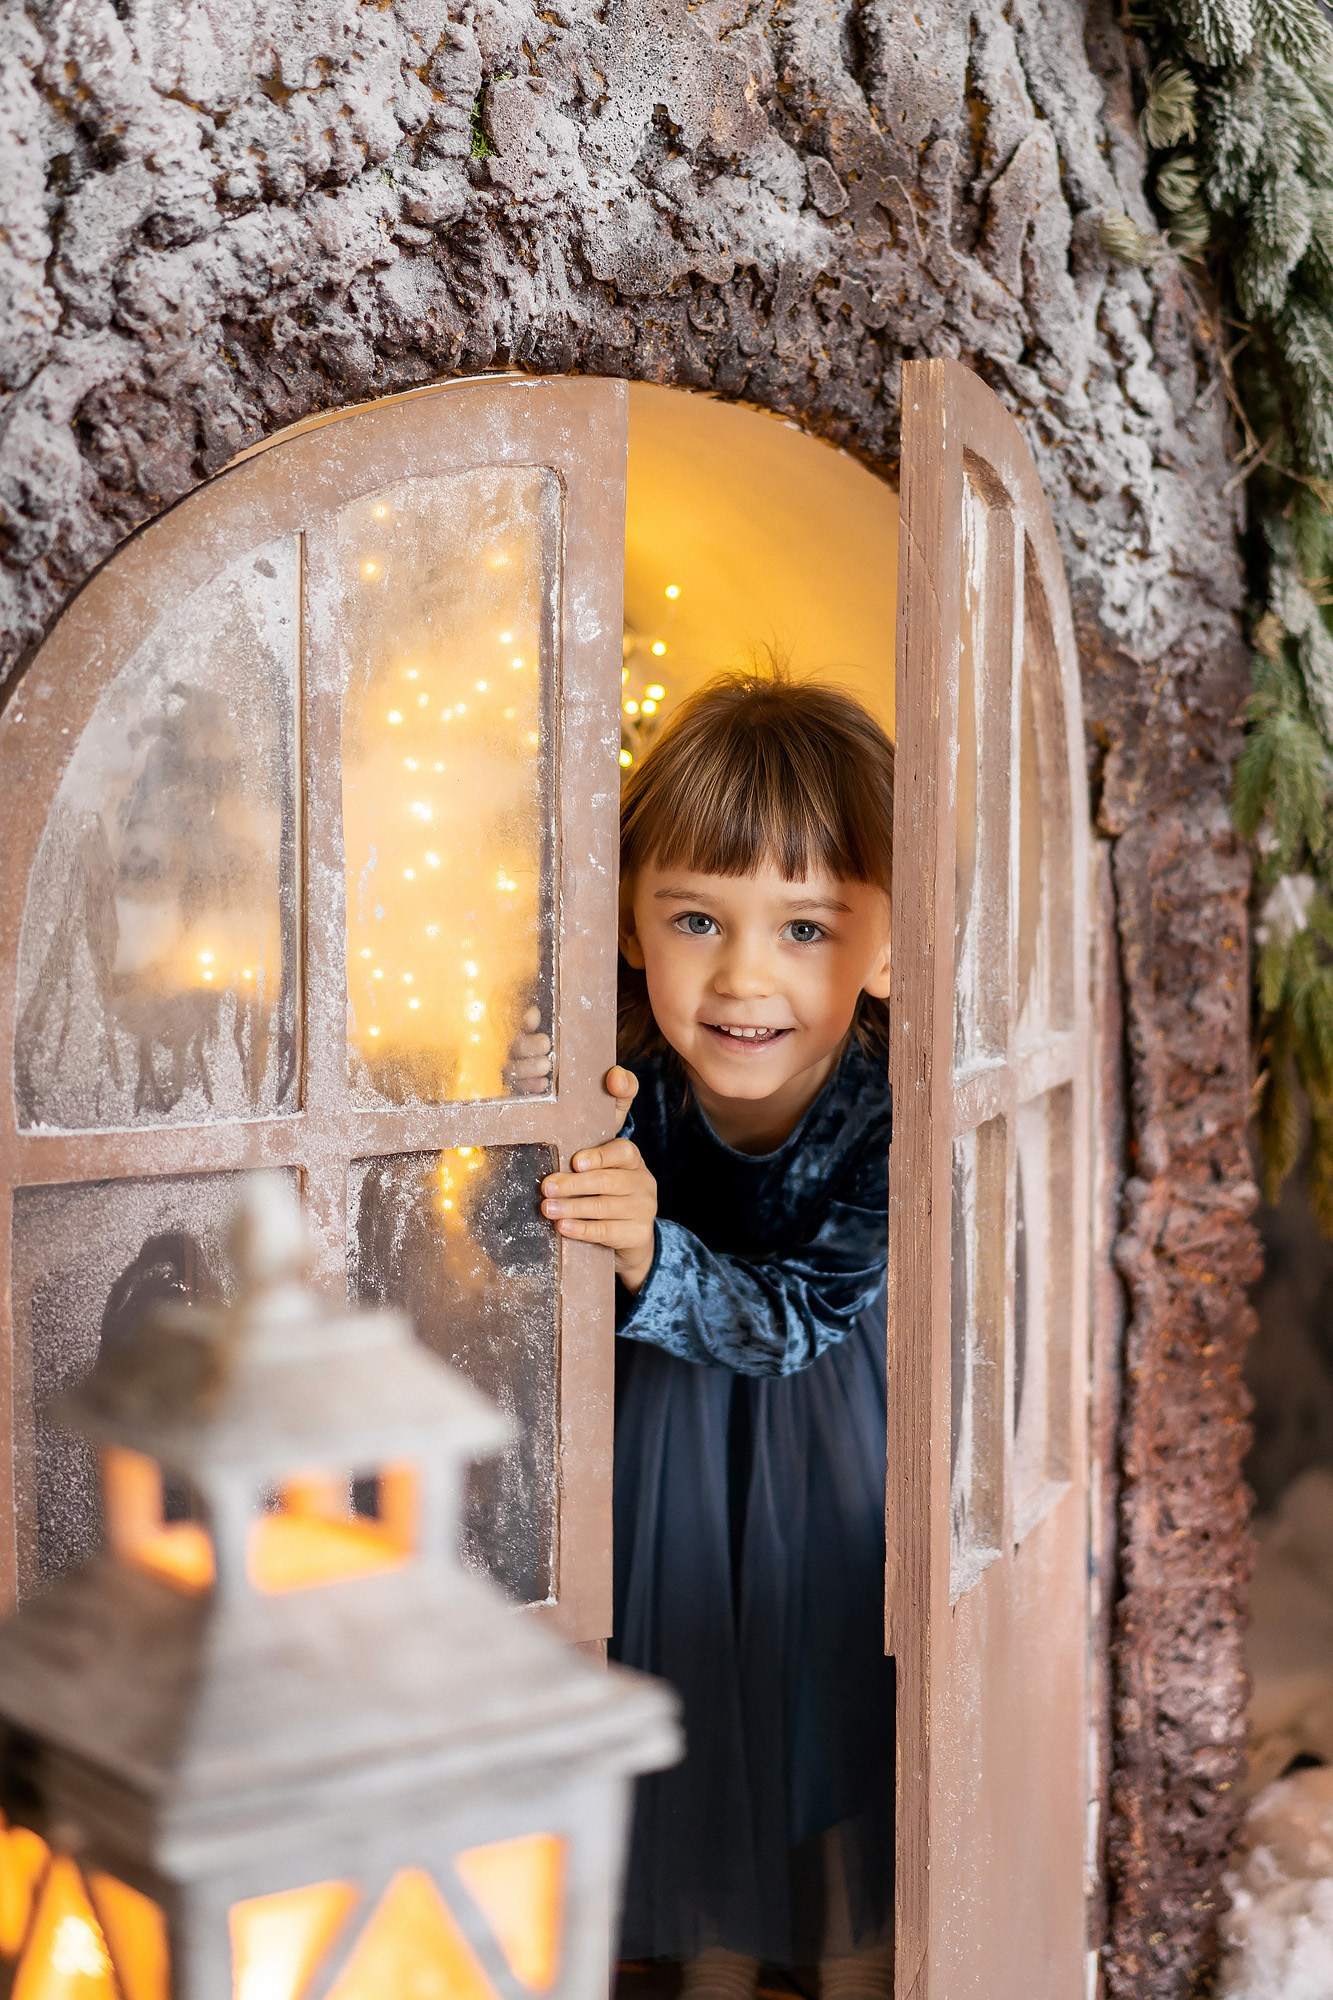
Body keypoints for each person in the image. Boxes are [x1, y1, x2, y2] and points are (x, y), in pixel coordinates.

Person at [538, 670, 896, 2000]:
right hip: (671, 1446)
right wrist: (555, 1128)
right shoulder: (623, 1065)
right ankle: (714, 1957)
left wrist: (649, 1246)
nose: (743, 978)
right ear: (630, 923)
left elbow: (803, 1315)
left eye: (806, 928)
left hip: (826, 1439)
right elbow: (492, 1227)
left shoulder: (885, 1109)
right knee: (686, 1674)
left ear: (888, 946)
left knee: (825, 1697)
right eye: (697, 917)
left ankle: (860, 1962)